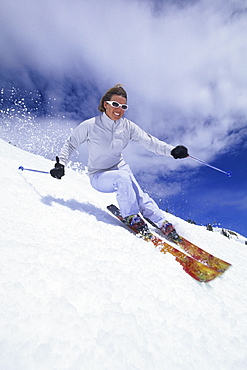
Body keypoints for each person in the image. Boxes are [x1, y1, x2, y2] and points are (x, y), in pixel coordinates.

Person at [50, 84, 188, 238]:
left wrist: (172, 151)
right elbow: (71, 143)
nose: (119, 109)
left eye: (124, 106)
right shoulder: (90, 125)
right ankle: (131, 216)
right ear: (105, 104)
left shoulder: (127, 127)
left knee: (139, 195)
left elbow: (150, 142)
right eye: (115, 104)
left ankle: (162, 222)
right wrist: (60, 164)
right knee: (122, 178)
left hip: (120, 167)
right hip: (98, 175)